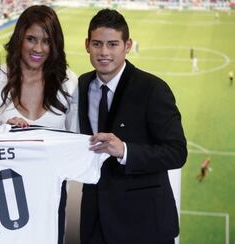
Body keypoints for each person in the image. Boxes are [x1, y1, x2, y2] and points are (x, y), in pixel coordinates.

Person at [74, 9, 187, 244]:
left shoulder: (153, 89)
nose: (104, 52)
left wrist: (125, 150)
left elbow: (177, 153)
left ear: (127, 45)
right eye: (97, 44)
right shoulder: (81, 85)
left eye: (113, 44)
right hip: (95, 222)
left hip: (144, 225)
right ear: (87, 45)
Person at [0, 5, 78, 244]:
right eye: (31, 39)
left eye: (46, 41)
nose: (38, 49)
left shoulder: (68, 82)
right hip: (1, 194)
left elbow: (73, 144)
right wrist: (5, 134)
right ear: (19, 37)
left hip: (50, 194)